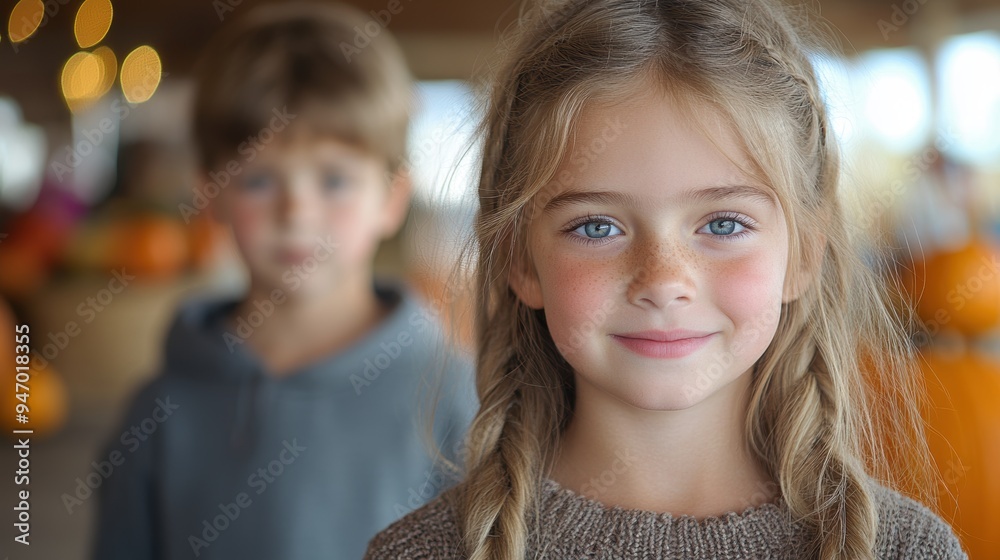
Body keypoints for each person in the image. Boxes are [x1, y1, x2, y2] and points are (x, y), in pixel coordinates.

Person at [364, 0, 968, 558]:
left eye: (724, 224)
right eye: (597, 227)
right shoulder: (422, 552)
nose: (663, 279)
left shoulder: (906, 550)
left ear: (804, 254)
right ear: (520, 260)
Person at [91, 3, 477, 559]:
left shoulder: (455, 400)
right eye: (259, 180)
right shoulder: (156, 416)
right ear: (211, 194)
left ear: (392, 199)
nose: (296, 212)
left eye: (334, 179)